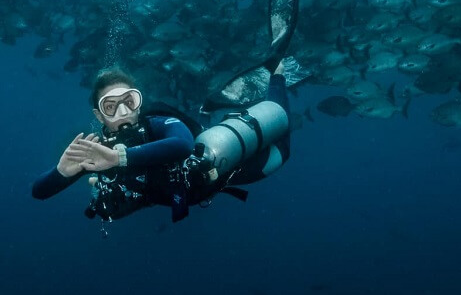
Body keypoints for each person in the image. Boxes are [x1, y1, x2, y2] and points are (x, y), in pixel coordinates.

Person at [31, 59, 291, 222]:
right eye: (111, 107)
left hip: (230, 169)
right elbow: (39, 192)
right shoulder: (99, 152)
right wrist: (61, 172)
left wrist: (119, 158)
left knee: (282, 148)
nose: (123, 113)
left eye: (129, 102)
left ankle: (277, 75)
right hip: (181, 195)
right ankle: (208, 111)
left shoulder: (155, 122)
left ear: (139, 103)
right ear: (99, 116)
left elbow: (182, 144)